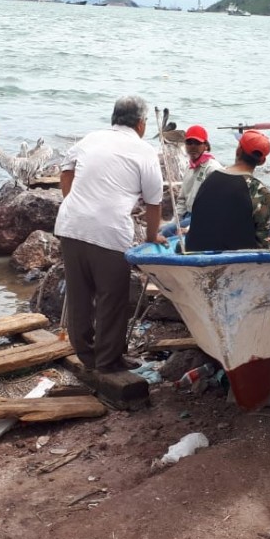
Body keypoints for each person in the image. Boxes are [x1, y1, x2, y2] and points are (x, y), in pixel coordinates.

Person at [55, 95, 166, 373]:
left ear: (113, 118)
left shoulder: (91, 138)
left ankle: (86, 354)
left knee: (80, 294)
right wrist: (153, 237)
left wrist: (71, 202)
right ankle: (107, 362)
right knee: (111, 298)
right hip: (109, 232)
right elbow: (154, 203)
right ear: (141, 124)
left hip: (70, 226)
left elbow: (65, 169)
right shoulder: (145, 150)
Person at [185, 129, 270, 252]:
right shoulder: (261, 192)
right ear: (262, 161)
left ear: (238, 150)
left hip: (194, 251)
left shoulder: (212, 176)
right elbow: (262, 241)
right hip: (233, 261)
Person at [159, 124, 223, 237]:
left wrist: (189, 228)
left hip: (203, 217)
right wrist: (175, 221)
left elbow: (216, 206)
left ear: (206, 146)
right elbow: (182, 199)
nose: (193, 146)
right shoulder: (189, 168)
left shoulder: (213, 169)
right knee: (161, 230)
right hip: (187, 215)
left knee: (167, 232)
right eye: (189, 143)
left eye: (197, 143)